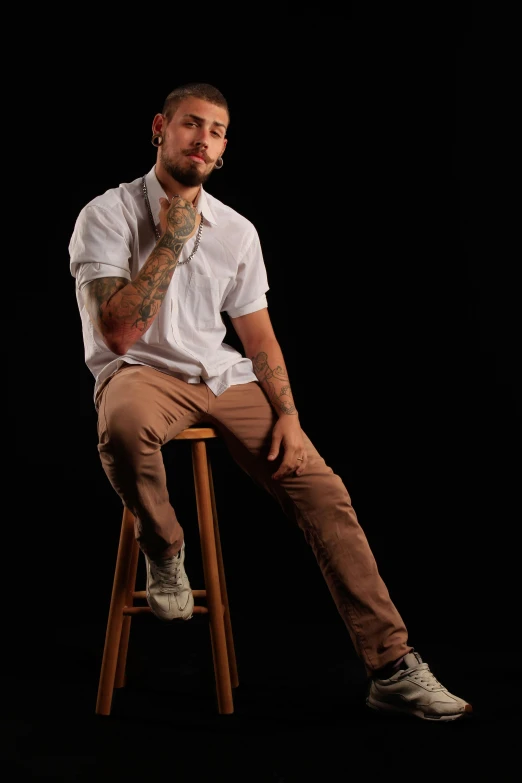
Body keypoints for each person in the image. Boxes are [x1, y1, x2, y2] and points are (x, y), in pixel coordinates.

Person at [69, 82, 472, 722]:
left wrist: (288, 415)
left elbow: (257, 335)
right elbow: (118, 332)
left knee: (323, 490)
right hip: (142, 370)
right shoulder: (107, 214)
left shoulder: (237, 231)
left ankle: (392, 667)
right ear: (160, 128)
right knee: (121, 426)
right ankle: (166, 546)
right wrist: (171, 240)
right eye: (191, 124)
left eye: (217, 131)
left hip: (223, 378)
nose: (203, 139)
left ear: (224, 148)